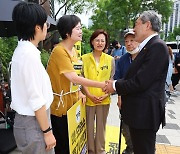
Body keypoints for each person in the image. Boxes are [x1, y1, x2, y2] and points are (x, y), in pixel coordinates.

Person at [103, 10, 169, 154]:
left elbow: (140, 82)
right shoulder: (148, 47)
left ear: (147, 25)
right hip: (139, 114)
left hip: (144, 115)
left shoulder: (157, 47)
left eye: (137, 24)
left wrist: (114, 85)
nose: (134, 28)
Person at [46, 15, 105, 154]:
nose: (81, 31)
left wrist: (80, 92)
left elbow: (77, 76)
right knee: (64, 146)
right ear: (67, 32)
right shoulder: (59, 51)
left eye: (81, 28)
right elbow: (73, 77)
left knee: (74, 145)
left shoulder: (74, 51)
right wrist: (101, 84)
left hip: (73, 106)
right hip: (61, 108)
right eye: (78, 28)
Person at [11, 2, 56, 154]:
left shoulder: (24, 51)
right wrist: (47, 132)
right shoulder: (28, 55)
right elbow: (36, 100)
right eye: (45, 24)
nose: (46, 27)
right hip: (34, 125)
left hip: (32, 123)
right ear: (37, 27)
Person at [81, 29, 115, 154]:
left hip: (104, 99)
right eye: (97, 40)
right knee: (88, 127)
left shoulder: (110, 59)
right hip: (88, 99)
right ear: (92, 42)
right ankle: (90, 150)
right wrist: (88, 94)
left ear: (106, 43)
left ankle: (100, 150)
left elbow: (112, 79)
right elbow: (81, 78)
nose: (100, 43)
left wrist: (106, 94)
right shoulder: (83, 58)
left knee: (101, 127)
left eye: (102, 41)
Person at [114, 31, 140, 154]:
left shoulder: (145, 57)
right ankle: (130, 149)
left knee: (140, 132)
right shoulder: (123, 59)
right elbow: (118, 80)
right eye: (127, 41)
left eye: (132, 40)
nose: (129, 44)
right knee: (126, 129)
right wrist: (119, 97)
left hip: (141, 102)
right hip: (126, 100)